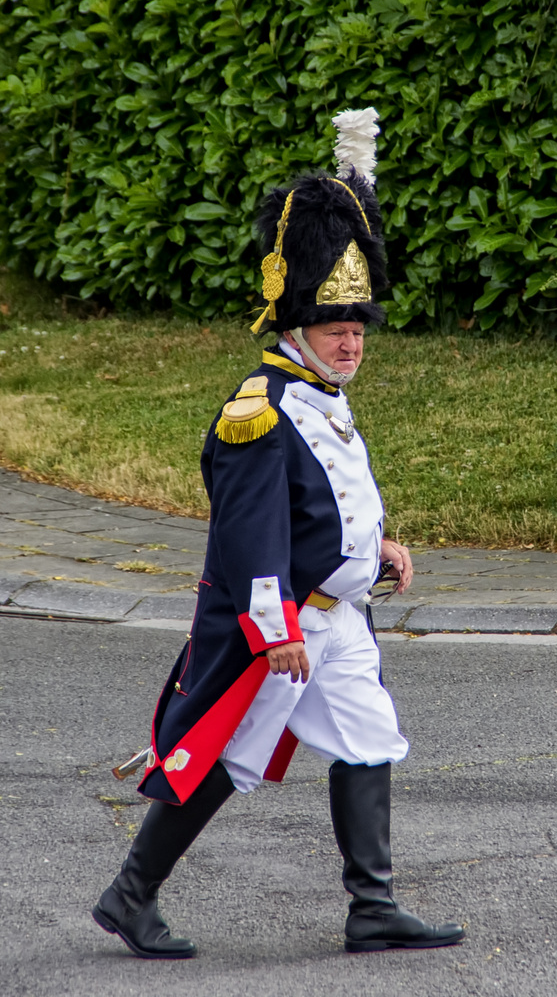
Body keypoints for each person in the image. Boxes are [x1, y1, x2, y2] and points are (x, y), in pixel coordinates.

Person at [92, 108, 463, 957]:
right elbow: (247, 535)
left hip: (341, 618)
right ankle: (129, 893)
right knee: (223, 756)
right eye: (336, 327)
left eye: (359, 327)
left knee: (369, 738)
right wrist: (273, 630)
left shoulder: (323, 397)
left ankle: (371, 909)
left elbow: (336, 501)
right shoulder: (256, 413)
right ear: (293, 324)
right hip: (285, 625)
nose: (351, 340)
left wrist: (380, 552)